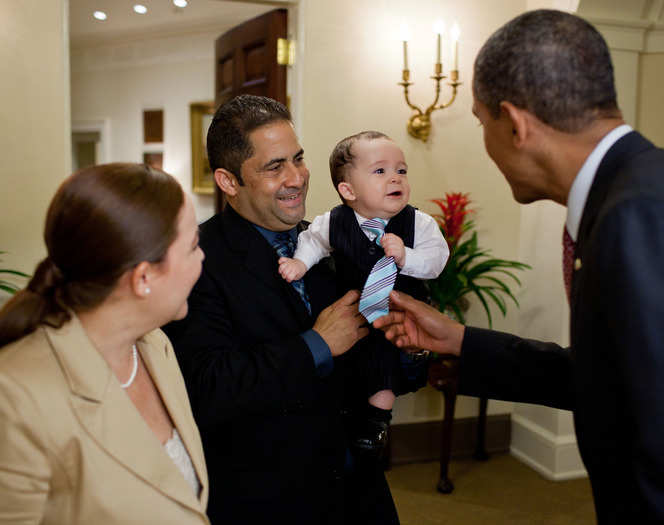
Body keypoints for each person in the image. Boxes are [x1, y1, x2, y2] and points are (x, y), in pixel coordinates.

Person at [374, 9, 664, 524]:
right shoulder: (637, 194)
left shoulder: (641, 216)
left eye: (483, 123)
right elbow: (607, 377)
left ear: (517, 125)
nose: (486, 146)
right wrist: (461, 340)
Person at [163, 95, 399, 524]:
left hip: (357, 486)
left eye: (299, 159)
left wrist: (404, 343)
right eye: (274, 167)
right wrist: (317, 345)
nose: (297, 178)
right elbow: (208, 386)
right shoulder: (197, 260)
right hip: (268, 496)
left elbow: (368, 358)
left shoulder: (334, 240)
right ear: (228, 181)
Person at [0, 163, 209, 524]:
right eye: (193, 247)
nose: (203, 257)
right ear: (143, 277)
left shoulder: (155, 346)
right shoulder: (16, 398)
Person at [278, 130, 448, 454]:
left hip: (397, 318)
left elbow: (437, 260)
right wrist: (300, 264)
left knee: (385, 364)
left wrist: (406, 256)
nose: (395, 178)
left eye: (401, 170)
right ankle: (349, 415)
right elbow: (313, 241)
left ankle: (378, 420)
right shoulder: (334, 221)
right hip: (354, 315)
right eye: (380, 171)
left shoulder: (419, 224)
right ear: (348, 189)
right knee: (349, 366)